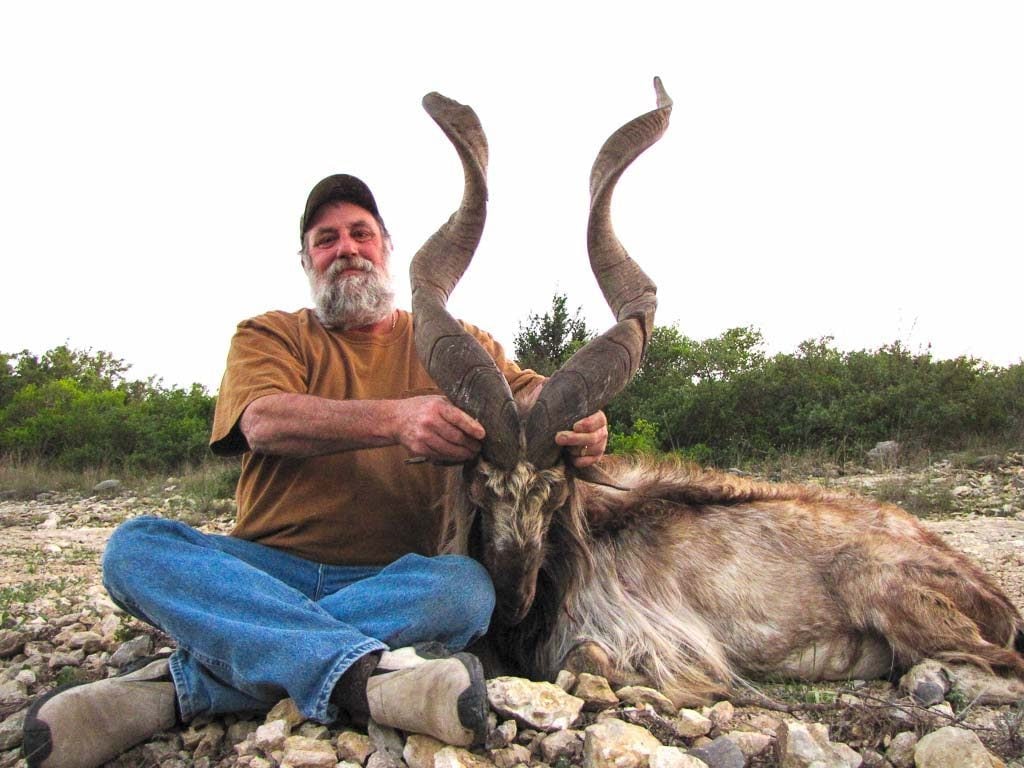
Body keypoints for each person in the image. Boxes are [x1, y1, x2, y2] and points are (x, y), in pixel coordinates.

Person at [23, 174, 608, 768]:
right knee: (135, 549)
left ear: (386, 248)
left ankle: (181, 687)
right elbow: (264, 422)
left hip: (394, 578)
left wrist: (583, 422)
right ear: (306, 258)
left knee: (463, 592)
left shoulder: (457, 344)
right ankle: (366, 676)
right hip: (262, 573)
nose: (346, 248)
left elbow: (535, 399)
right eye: (326, 239)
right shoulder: (269, 335)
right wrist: (395, 420)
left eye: (361, 233)